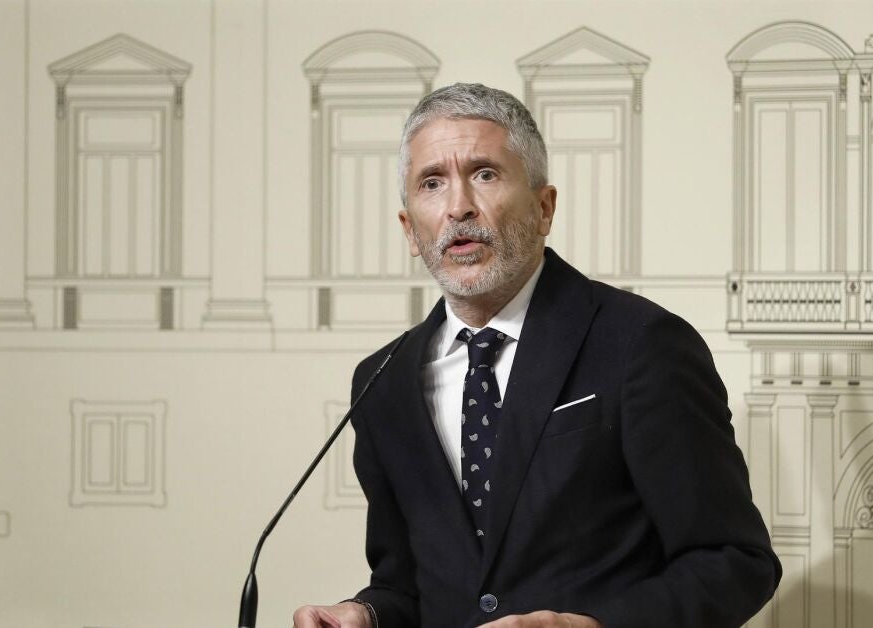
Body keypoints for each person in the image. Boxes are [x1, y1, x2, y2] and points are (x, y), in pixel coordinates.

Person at [293, 83, 780, 628]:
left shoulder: (641, 344)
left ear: (544, 207)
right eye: (432, 183)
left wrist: (589, 627)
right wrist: (368, 614)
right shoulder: (382, 383)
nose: (458, 207)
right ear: (410, 229)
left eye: (484, 174)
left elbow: (735, 563)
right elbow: (406, 583)